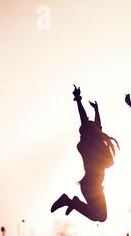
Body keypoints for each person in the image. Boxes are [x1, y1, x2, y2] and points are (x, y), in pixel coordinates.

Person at [51, 85, 119, 222]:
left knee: (100, 217)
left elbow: (98, 127)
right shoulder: (89, 144)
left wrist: (97, 110)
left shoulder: (93, 143)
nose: (96, 127)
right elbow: (85, 120)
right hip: (91, 185)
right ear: (89, 132)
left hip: (93, 184)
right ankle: (72, 202)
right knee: (100, 217)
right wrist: (78, 100)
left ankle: (73, 202)